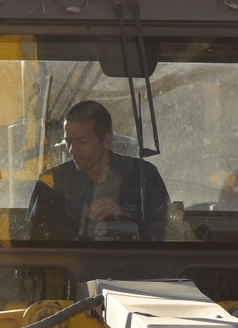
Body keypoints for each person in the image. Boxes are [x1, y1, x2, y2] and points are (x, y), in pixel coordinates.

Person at [26, 100, 170, 242]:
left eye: (82, 141)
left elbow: (166, 236)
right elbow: (35, 245)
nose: (72, 151)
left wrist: (125, 216)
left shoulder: (144, 176)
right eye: (68, 142)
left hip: (135, 264)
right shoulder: (52, 182)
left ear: (107, 140)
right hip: (73, 265)